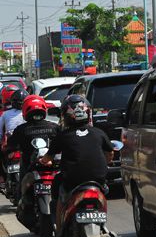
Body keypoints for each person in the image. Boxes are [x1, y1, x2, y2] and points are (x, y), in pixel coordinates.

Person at [39, 95, 114, 226]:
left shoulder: (62, 136)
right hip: (98, 180)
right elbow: (110, 153)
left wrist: (43, 161)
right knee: (105, 190)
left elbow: (48, 158)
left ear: (65, 116)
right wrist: (104, 163)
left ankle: (58, 229)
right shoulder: (99, 133)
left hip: (72, 181)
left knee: (57, 192)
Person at [8, 95, 59, 229]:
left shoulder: (21, 129)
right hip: (53, 168)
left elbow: (11, 146)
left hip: (31, 170)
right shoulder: (54, 127)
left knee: (21, 193)